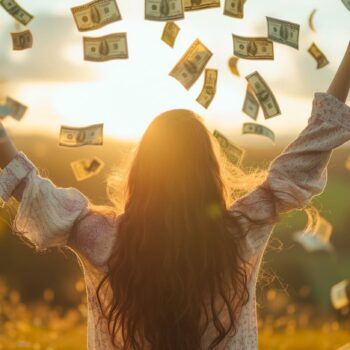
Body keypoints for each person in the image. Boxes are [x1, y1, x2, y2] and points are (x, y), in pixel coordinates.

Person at [0, 42, 349, 350]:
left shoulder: (101, 238)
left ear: (142, 172)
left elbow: (28, 186)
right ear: (209, 172)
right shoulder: (237, 232)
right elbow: (306, 155)